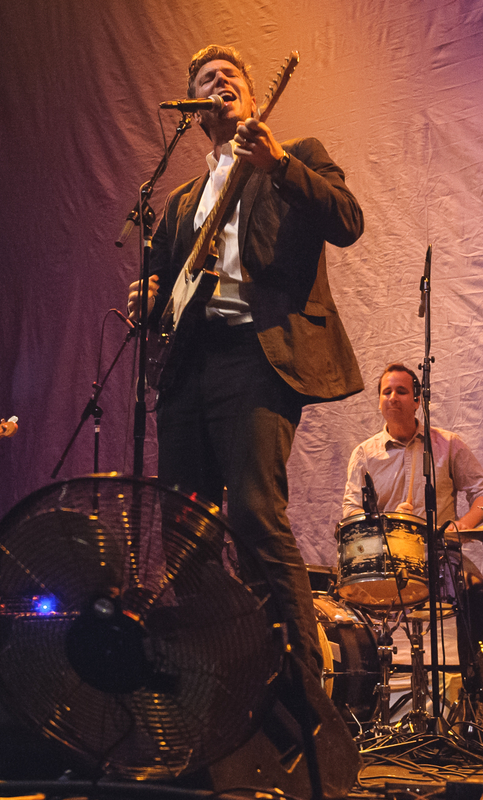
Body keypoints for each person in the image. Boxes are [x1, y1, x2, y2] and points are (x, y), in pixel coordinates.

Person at [127, 45, 364, 683]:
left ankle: (302, 683)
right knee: (184, 528)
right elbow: (164, 284)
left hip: (258, 356)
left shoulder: (297, 156)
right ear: (195, 110)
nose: (218, 82)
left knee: (254, 513)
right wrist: (150, 295)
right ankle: (223, 674)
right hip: (188, 365)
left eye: (229, 76)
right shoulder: (180, 201)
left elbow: (348, 222)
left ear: (252, 98)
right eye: (205, 79)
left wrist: (280, 163)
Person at [341, 363, 483, 691]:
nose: (393, 398)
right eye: (386, 392)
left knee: (476, 591)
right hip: (385, 560)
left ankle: (475, 687)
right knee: (343, 606)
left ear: (417, 400)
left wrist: (461, 525)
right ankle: (365, 693)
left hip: (439, 555)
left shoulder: (447, 444)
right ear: (379, 401)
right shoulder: (364, 454)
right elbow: (351, 510)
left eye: (401, 391)